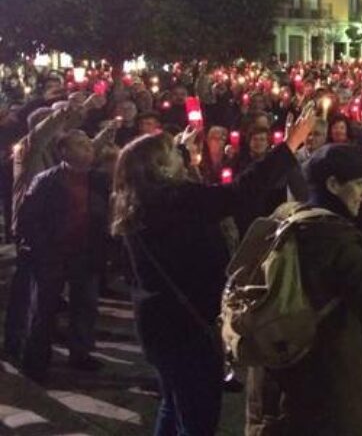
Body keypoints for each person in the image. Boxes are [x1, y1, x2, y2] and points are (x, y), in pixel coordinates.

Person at [111, 111, 315, 435]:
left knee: (172, 402)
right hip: (188, 329)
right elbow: (239, 192)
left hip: (156, 324)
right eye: (171, 155)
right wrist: (289, 145)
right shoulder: (179, 200)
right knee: (197, 416)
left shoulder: (137, 200)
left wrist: (177, 148)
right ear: (162, 169)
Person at [252, 144, 362, 435]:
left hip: (277, 372)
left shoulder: (286, 219)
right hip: (324, 385)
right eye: (358, 184)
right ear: (333, 184)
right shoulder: (334, 238)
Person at [18, 129, 111, 382]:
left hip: (86, 252)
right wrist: (42, 248)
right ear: (64, 151)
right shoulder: (47, 180)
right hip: (52, 253)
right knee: (44, 307)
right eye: (80, 145)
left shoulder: (100, 180)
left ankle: (80, 352)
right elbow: (29, 218)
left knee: (85, 305)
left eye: (89, 145)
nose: (87, 150)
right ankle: (36, 358)